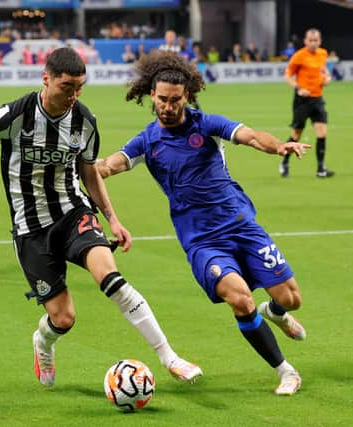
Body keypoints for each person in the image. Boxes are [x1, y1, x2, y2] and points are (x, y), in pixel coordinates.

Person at [0, 47, 203, 388]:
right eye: (67, 87)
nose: (73, 95)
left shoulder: (84, 120)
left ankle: (169, 357)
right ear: (46, 79)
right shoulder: (16, 115)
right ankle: (43, 343)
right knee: (63, 318)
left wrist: (112, 218)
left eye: (80, 87)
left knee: (109, 276)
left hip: (73, 213)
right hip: (30, 228)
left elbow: (90, 172)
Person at [96, 50, 310, 396]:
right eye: (162, 99)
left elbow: (252, 136)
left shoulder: (207, 125)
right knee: (240, 299)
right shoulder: (147, 142)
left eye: (175, 100)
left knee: (292, 298)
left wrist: (279, 147)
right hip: (202, 243)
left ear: (187, 96)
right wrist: (87, 167)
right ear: (152, 95)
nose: (167, 106)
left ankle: (277, 311)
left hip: (241, 225)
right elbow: (110, 165)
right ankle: (286, 371)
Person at [280, 28, 333, 178]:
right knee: (296, 135)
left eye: (316, 40)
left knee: (322, 133)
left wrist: (327, 78)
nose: (313, 43)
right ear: (305, 41)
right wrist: (298, 88)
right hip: (302, 101)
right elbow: (288, 76)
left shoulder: (323, 54)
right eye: (311, 40)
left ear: (320, 41)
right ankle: (284, 162)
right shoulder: (299, 56)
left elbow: (324, 71)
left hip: (317, 99)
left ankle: (321, 169)